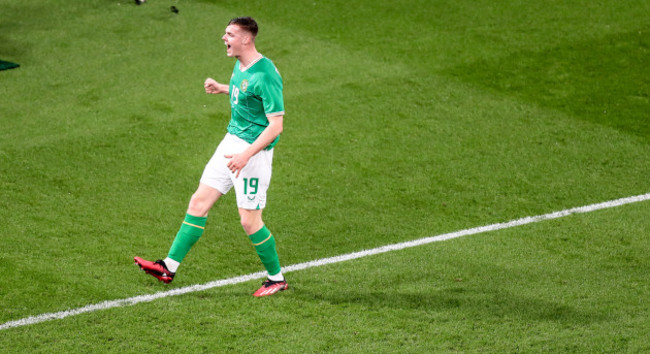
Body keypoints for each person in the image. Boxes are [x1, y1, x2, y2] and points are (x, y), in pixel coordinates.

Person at [135, 16, 288, 297]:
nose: (223, 38)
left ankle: (276, 278)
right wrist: (222, 88)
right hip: (230, 142)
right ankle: (168, 266)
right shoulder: (241, 65)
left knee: (249, 220)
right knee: (199, 201)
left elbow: (276, 125)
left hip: (252, 154)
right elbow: (246, 94)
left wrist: (245, 155)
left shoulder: (266, 75)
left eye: (229, 34)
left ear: (246, 39)